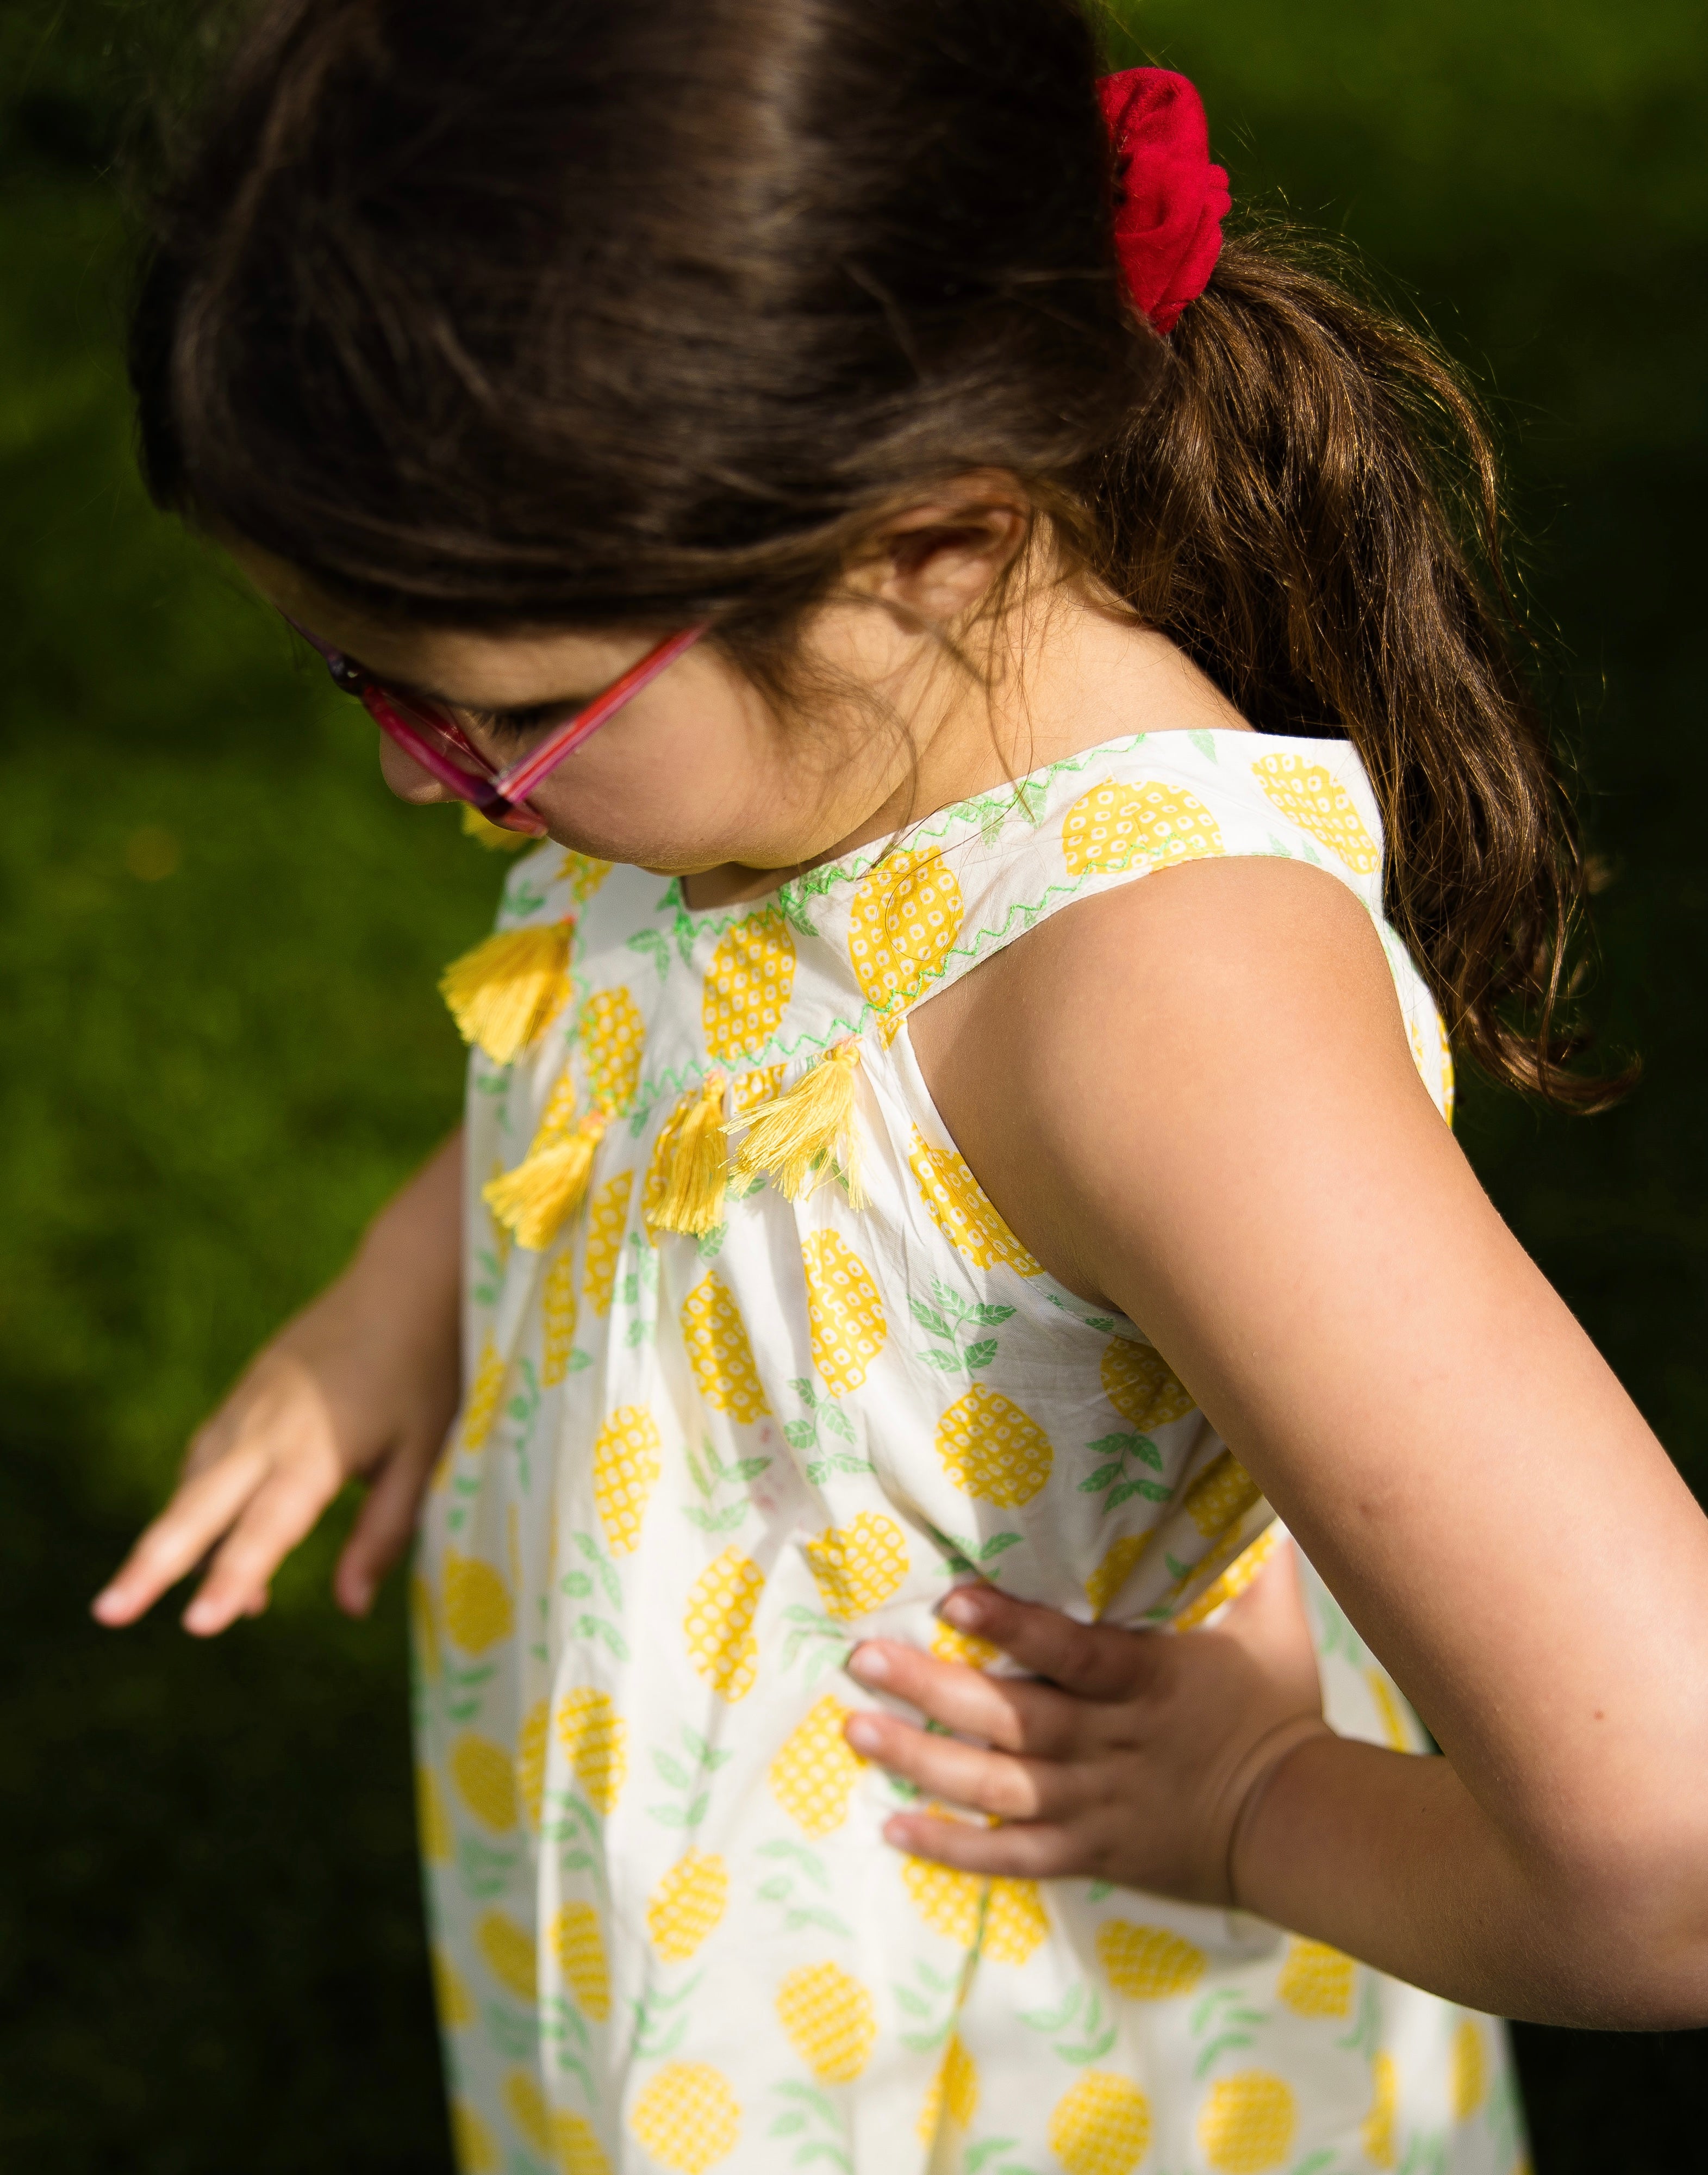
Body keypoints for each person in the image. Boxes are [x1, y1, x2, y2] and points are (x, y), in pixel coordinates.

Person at [93, 1, 1708, 2168]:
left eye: (508, 711)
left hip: (999, 2073)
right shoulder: (785, 764)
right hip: (708, 2009)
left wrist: (1250, 1800)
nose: (418, 776)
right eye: (361, 678)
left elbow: (1669, 1842)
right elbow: (706, 1080)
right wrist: (413, 1282)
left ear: (928, 543)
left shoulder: (1155, 1001)